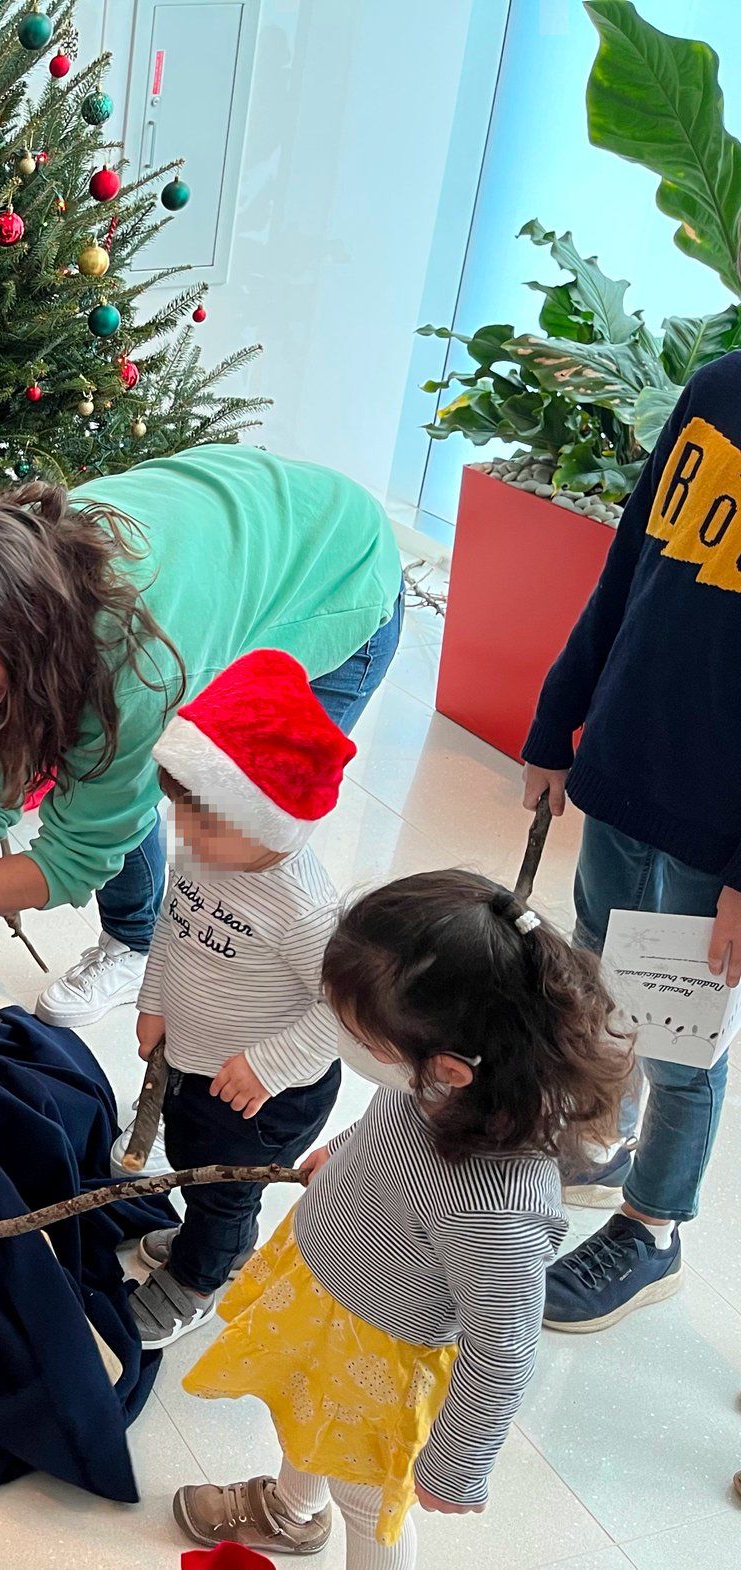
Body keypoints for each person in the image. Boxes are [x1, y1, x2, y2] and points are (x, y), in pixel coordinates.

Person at [0, 450, 403, 1038]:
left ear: (28, 629)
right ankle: (145, 941)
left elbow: (74, 857)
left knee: (245, 833)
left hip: (336, 568)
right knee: (137, 794)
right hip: (242, 515)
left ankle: (157, 960)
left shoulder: (138, 669)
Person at [173, 871, 629, 1570]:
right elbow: (388, 1117)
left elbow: (503, 1348)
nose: (340, 1033)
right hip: (332, 1292)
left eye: (359, 1031)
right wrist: (345, 1148)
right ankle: (293, 1511)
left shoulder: (495, 1208)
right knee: (304, 1415)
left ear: (448, 1067)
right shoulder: (437, 1083)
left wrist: (458, 1462)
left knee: (366, 1504)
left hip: (383, 1357)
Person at [522, 353, 741, 1333]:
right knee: (599, 980)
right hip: (624, 765)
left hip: (718, 827)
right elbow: (627, 570)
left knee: (686, 1041)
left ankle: (651, 1228)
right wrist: (554, 721)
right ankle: (601, 1139)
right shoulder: (717, 388)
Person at [124, 650, 352, 1349]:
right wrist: (154, 998)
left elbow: (348, 1009)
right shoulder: (207, 852)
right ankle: (213, 1236)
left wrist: (269, 1064)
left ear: (269, 821)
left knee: (224, 1190)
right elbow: (173, 925)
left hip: (266, 1096)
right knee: (197, 1164)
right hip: (197, 1062)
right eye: (181, 815)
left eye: (207, 822)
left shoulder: (306, 911)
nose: (185, 836)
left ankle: (200, 1278)